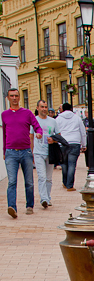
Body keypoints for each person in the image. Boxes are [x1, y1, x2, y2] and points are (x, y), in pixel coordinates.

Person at [2, 87, 43, 218]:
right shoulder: (4, 115)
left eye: (16, 96)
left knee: (29, 182)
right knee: (12, 181)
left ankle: (29, 205)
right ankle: (12, 207)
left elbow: (37, 126)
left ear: (19, 98)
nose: (14, 98)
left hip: (25, 152)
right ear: (7, 98)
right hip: (11, 152)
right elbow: (4, 134)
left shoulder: (27, 113)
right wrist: (4, 151)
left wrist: (39, 133)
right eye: (11, 96)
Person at [30, 99, 58, 208]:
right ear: (37, 108)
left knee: (49, 177)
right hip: (38, 152)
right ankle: (44, 199)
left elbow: (59, 136)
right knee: (41, 176)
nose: (44, 109)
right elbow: (31, 137)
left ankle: (48, 197)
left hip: (50, 152)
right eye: (42, 107)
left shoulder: (53, 121)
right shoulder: (34, 120)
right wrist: (31, 152)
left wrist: (53, 140)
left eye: (45, 107)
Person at [55, 102, 86, 191]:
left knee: (64, 164)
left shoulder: (58, 119)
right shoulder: (77, 118)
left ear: (63, 109)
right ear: (71, 109)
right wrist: (84, 144)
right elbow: (82, 132)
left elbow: (55, 131)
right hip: (75, 142)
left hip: (63, 143)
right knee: (72, 164)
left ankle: (65, 182)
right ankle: (70, 185)